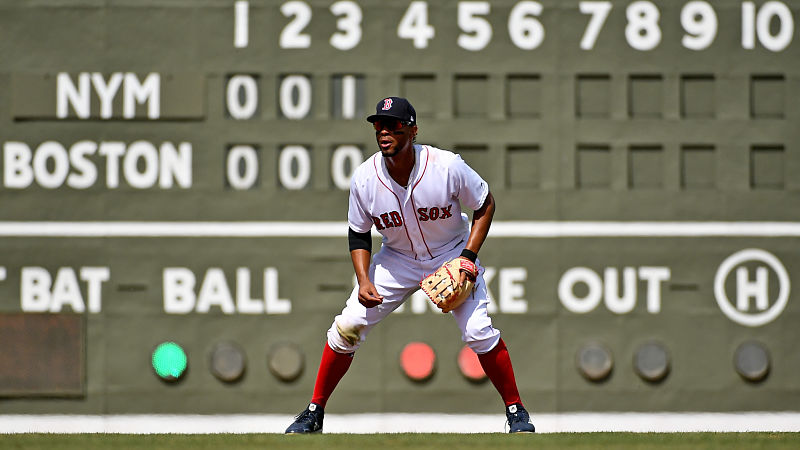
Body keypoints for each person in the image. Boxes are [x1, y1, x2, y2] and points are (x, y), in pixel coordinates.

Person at [285, 97, 535, 434]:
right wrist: (363, 280)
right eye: (379, 125)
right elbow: (358, 233)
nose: (384, 131)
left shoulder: (446, 166)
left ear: (413, 131)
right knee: (347, 327)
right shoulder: (365, 178)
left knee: (478, 331)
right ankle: (314, 412)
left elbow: (484, 203)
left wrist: (468, 257)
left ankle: (516, 410)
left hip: (451, 252)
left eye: (393, 125)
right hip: (397, 259)